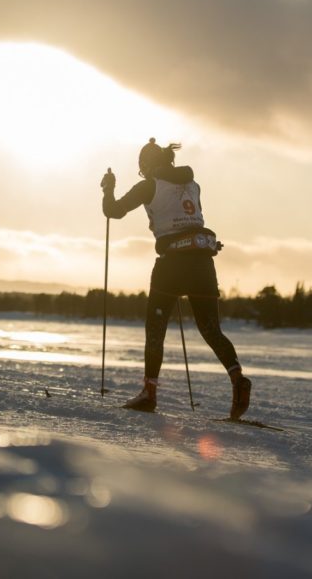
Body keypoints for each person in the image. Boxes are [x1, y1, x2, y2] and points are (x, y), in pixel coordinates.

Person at [101, 138, 251, 419]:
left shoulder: (149, 185)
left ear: (146, 165)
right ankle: (237, 378)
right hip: (203, 264)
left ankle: (149, 393)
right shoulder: (193, 184)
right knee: (211, 330)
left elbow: (113, 211)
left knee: (155, 329)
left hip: (171, 265)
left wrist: (108, 188)